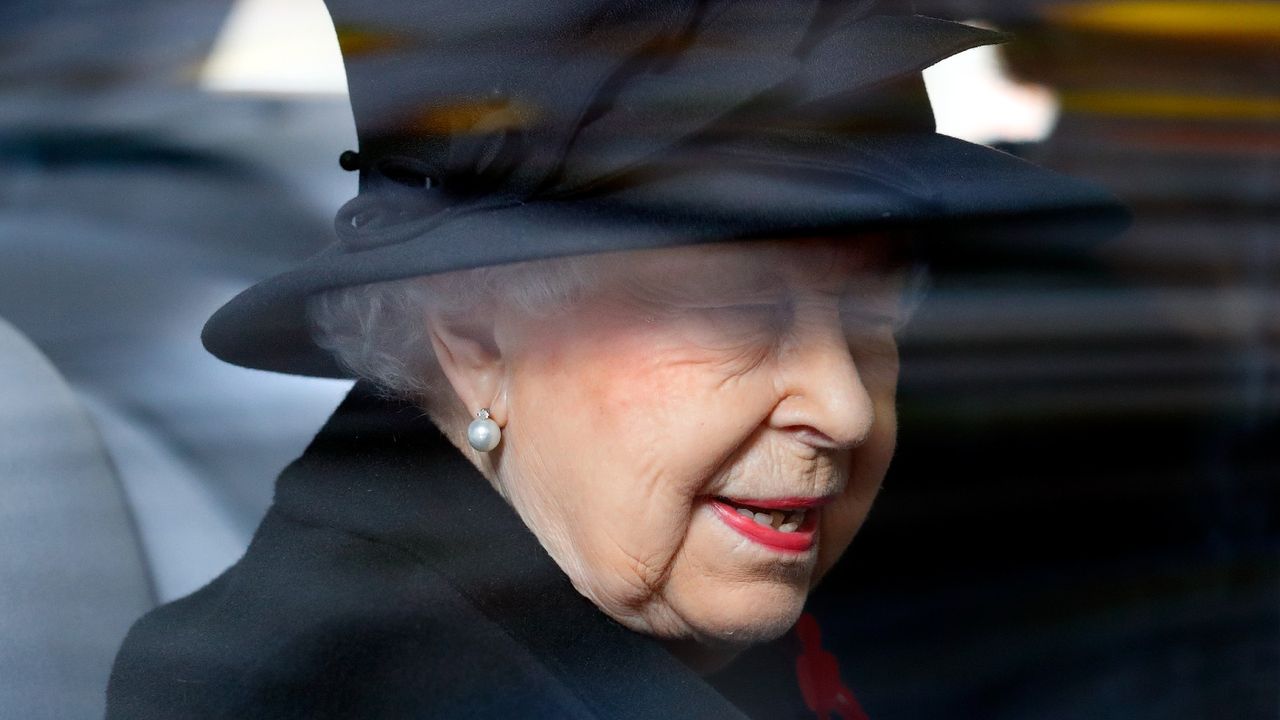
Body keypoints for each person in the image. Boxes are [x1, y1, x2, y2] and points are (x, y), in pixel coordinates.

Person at [106, 1, 1126, 717]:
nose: (845, 409)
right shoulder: (308, 697)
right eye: (738, 317)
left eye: (878, 321)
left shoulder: (841, 615)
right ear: (472, 337)